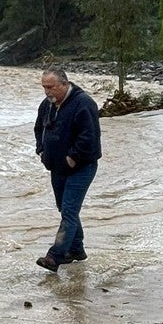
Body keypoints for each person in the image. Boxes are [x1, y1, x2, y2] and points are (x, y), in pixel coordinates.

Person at [33, 67, 102, 272]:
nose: (47, 92)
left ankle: (55, 256)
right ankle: (77, 249)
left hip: (82, 167)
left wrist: (72, 157)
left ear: (64, 84)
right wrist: (41, 150)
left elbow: (89, 136)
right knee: (65, 209)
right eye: (44, 87)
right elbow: (39, 129)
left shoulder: (84, 104)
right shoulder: (47, 105)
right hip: (56, 167)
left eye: (51, 87)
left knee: (69, 210)